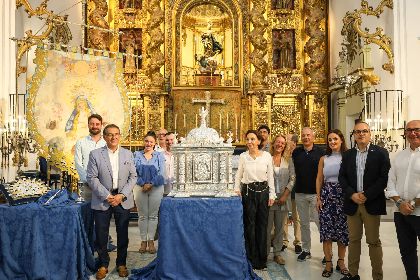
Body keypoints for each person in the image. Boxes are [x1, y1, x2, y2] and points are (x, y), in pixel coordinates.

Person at [339, 121, 390, 280]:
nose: (361, 134)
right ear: (354, 135)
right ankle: (353, 274)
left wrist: (367, 194)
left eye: (364, 131)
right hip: (352, 203)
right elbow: (342, 177)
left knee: (373, 241)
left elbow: (384, 178)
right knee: (353, 240)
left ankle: (377, 276)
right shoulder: (348, 154)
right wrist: (352, 194)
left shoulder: (381, 153)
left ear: (370, 134)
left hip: (372, 203)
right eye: (358, 132)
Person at [86, 124, 137, 279]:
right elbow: (91, 177)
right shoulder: (95, 154)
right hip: (103, 199)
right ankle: (103, 264)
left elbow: (133, 177)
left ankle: (121, 263)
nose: (113, 137)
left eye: (116, 134)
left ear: (120, 136)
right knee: (101, 235)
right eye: (110, 135)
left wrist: (121, 195)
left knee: (123, 233)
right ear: (104, 136)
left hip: (122, 199)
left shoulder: (128, 154)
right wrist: (107, 196)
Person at [235, 129, 275, 270]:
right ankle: (251, 258)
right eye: (247, 139)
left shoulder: (267, 156)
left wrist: (272, 195)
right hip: (248, 192)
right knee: (250, 226)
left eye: (252, 139)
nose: (249, 142)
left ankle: (261, 259)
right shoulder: (243, 157)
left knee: (262, 226)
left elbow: (270, 177)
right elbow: (238, 175)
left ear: (258, 141)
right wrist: (236, 189)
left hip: (263, 192)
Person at [386, 120, 420, 280]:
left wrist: (412, 204)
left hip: (418, 212)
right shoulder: (399, 156)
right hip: (401, 213)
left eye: (417, 130)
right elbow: (390, 182)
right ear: (405, 133)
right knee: (407, 250)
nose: (413, 133)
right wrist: (400, 203)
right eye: (409, 130)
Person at [316, 129, 349, 277]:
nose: (332, 142)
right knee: (327, 232)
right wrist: (318, 197)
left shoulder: (348, 157)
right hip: (327, 196)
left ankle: (341, 261)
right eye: (330, 140)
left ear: (341, 140)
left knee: (343, 231)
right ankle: (328, 263)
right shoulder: (324, 158)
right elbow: (319, 179)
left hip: (343, 196)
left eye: (335, 139)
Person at [293, 127, 324, 261]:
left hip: (315, 194)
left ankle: (327, 253)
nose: (306, 137)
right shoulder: (296, 152)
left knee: (319, 222)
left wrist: (320, 195)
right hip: (300, 193)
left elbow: (323, 175)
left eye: (308, 135)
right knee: (304, 223)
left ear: (313, 137)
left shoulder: (321, 153)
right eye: (303, 135)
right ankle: (306, 250)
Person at [133, 131, 165, 254]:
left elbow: (162, 173)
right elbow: (133, 172)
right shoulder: (136, 155)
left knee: (152, 215)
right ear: (143, 142)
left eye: (151, 141)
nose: (148, 143)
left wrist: (151, 183)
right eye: (146, 141)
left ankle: (151, 240)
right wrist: (143, 183)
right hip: (139, 187)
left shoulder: (159, 156)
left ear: (154, 143)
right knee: (142, 215)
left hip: (156, 187)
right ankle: (143, 241)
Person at [267, 134, 295, 265]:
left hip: (283, 198)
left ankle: (277, 253)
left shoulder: (288, 160)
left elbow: (293, 178)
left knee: (279, 228)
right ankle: (265, 253)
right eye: (278, 142)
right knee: (267, 228)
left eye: (282, 143)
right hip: (269, 198)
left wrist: (285, 195)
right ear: (273, 144)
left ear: (285, 146)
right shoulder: (267, 158)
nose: (280, 145)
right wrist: (269, 195)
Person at [74, 114, 106, 200]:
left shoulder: (106, 143)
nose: (94, 126)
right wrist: (89, 180)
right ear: (88, 125)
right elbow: (78, 164)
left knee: (104, 212)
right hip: (87, 185)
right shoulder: (81, 142)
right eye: (92, 124)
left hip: (105, 186)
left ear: (101, 125)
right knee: (86, 210)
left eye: (97, 124)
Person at [282, 133, 302, 254]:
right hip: (285, 188)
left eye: (289, 141)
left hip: (297, 188)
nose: (288, 143)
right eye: (287, 141)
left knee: (296, 217)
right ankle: (284, 241)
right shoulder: (284, 154)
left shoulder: (299, 153)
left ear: (294, 143)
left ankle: (298, 242)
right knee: (284, 216)